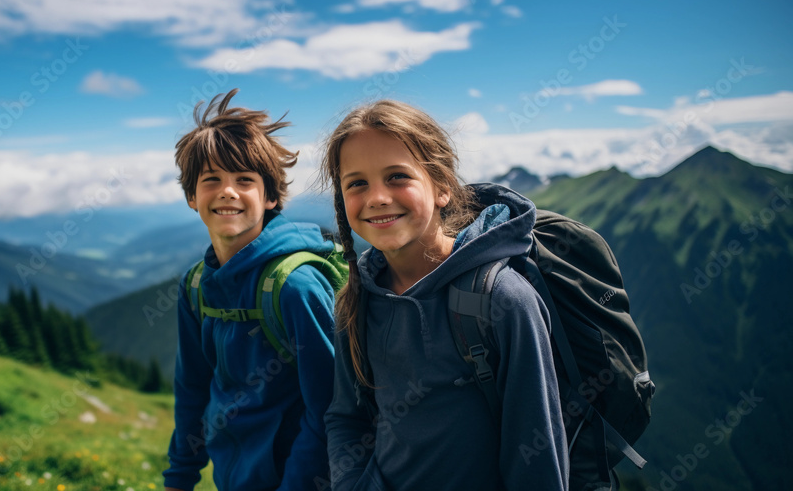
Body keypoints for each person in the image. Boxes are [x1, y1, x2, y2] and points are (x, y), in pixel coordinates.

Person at [321, 99, 569, 490]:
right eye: (357, 183)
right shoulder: (355, 300)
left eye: (398, 177)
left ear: (442, 188)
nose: (377, 198)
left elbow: (537, 455)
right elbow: (345, 417)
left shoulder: (503, 300)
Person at [164, 89, 337, 491]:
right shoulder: (195, 286)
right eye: (211, 180)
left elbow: (329, 410)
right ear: (192, 197)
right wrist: (180, 476)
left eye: (245, 180)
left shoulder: (296, 286)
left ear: (271, 196)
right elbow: (192, 388)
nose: (228, 191)